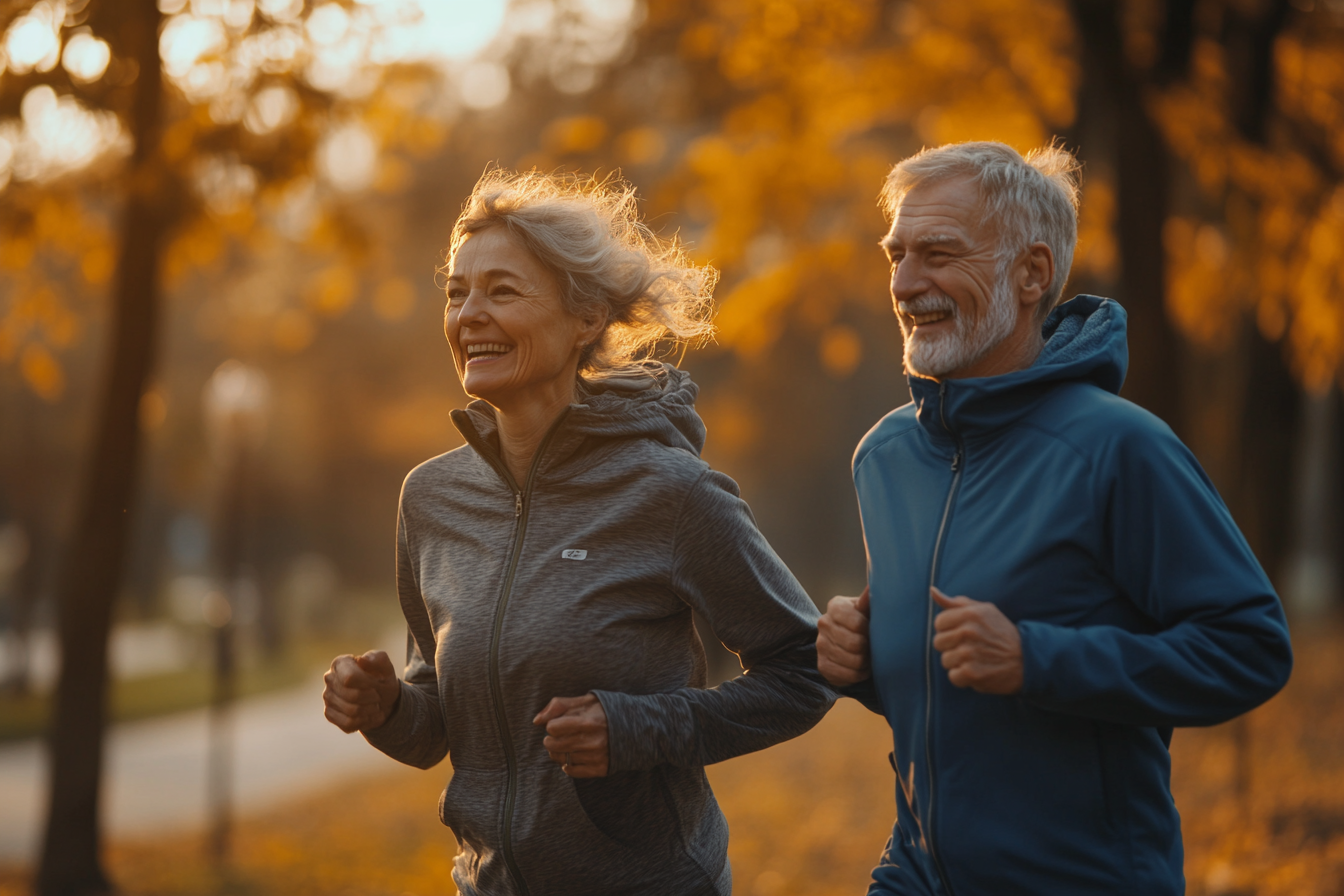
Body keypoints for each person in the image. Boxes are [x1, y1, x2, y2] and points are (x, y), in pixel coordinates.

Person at [321, 169, 833, 896]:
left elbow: (806, 671)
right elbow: (437, 724)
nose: (469, 315)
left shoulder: (670, 492)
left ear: (586, 318)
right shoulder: (431, 499)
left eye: (502, 291)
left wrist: (637, 730)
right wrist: (387, 708)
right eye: (457, 293)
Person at [816, 141, 1293, 895]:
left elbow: (1250, 647)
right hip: (915, 875)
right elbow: (947, 694)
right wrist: (865, 664)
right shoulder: (884, 457)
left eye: (939, 254)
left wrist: (1039, 660)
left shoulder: (1118, 447)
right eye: (896, 255)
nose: (905, 284)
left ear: (1032, 273)